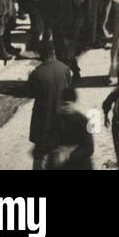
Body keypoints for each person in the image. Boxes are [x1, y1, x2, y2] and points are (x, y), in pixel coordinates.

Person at [28, 42, 72, 170]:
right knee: (60, 150)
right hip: (61, 117)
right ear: (53, 52)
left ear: (40, 55)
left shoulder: (36, 73)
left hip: (43, 118)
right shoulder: (65, 69)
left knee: (39, 153)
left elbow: (31, 93)